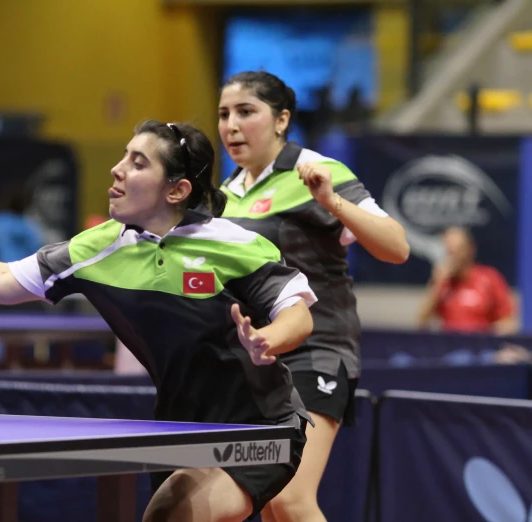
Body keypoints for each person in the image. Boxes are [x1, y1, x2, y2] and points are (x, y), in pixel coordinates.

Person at [0, 120, 318, 522]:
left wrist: (268, 339)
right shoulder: (98, 247)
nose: (117, 169)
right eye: (123, 156)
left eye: (138, 163)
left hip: (261, 425)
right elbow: (1, 280)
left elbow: (297, 311)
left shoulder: (232, 244)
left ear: (176, 190)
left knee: (169, 516)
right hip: (180, 426)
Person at [217, 71, 409, 522]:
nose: (231, 125)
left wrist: (330, 201)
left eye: (246, 112)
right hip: (259, 359)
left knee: (290, 497)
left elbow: (397, 247)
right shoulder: (226, 194)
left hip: (318, 349)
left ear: (282, 119)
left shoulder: (319, 171)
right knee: (268, 502)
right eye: (224, 114)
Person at [418, 226, 517, 335]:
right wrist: (437, 285)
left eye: (457, 251)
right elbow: (422, 322)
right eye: (449, 251)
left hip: (482, 346)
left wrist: (483, 334)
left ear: (470, 249)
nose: (453, 257)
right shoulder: (442, 283)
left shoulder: (490, 278)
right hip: (449, 345)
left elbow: (508, 323)